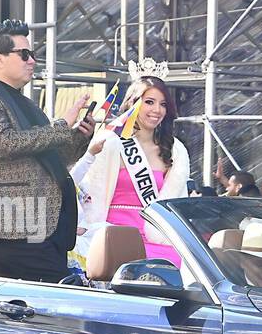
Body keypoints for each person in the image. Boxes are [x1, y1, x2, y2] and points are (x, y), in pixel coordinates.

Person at [0, 18, 94, 282]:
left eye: (32, 54)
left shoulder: (25, 103)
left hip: (47, 227)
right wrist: (62, 124)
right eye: (24, 54)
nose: (32, 60)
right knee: (48, 306)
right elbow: (5, 143)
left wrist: (78, 136)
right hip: (12, 227)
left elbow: (53, 158)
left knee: (45, 306)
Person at [74, 74, 190, 269]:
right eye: (149, 102)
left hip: (158, 236)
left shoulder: (175, 150)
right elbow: (84, 189)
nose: (157, 110)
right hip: (114, 234)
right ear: (133, 103)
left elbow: (177, 201)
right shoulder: (110, 142)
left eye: (162, 104)